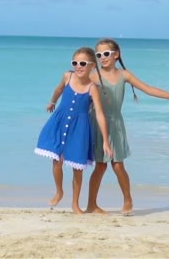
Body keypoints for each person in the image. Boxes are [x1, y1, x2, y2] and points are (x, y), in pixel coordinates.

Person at [86, 38, 169, 216]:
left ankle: (128, 200)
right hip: (97, 123)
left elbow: (148, 88)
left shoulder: (124, 75)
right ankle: (91, 204)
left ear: (116, 55)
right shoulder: (93, 76)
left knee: (118, 165)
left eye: (106, 54)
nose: (102, 57)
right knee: (100, 166)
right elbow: (76, 90)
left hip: (116, 124)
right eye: (99, 55)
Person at [35, 47, 113, 215]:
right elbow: (58, 89)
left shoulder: (93, 88)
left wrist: (106, 141)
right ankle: (59, 191)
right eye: (75, 63)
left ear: (92, 65)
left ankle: (75, 204)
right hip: (60, 121)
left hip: (80, 128)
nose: (78, 66)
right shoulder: (67, 76)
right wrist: (52, 102)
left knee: (77, 167)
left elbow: (99, 113)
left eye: (83, 63)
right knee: (56, 159)